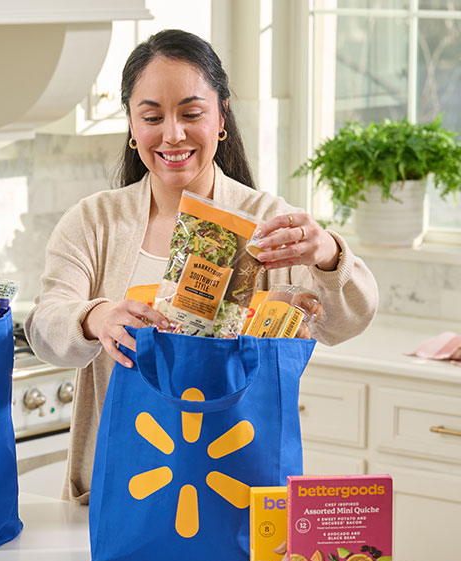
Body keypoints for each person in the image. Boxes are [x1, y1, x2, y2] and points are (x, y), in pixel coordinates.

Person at [24, 29, 378, 505]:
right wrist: (95, 317)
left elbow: (346, 321)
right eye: (152, 116)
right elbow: (45, 329)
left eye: (191, 114)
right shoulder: (93, 222)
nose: (173, 134)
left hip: (238, 492)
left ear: (221, 116)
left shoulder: (265, 224)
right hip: (112, 495)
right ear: (131, 123)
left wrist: (328, 256)